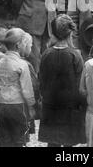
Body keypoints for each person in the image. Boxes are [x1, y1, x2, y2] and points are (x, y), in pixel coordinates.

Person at [38, 15, 85, 147]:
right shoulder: (75, 55)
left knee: (52, 142)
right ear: (70, 33)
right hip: (70, 107)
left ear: (53, 32)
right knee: (69, 142)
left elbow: (41, 80)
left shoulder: (46, 54)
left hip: (50, 106)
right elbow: (80, 83)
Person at [0, 28, 36, 147]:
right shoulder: (22, 65)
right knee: (19, 139)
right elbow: (27, 90)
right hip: (18, 106)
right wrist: (31, 106)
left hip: (2, 105)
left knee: (4, 138)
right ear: (18, 45)